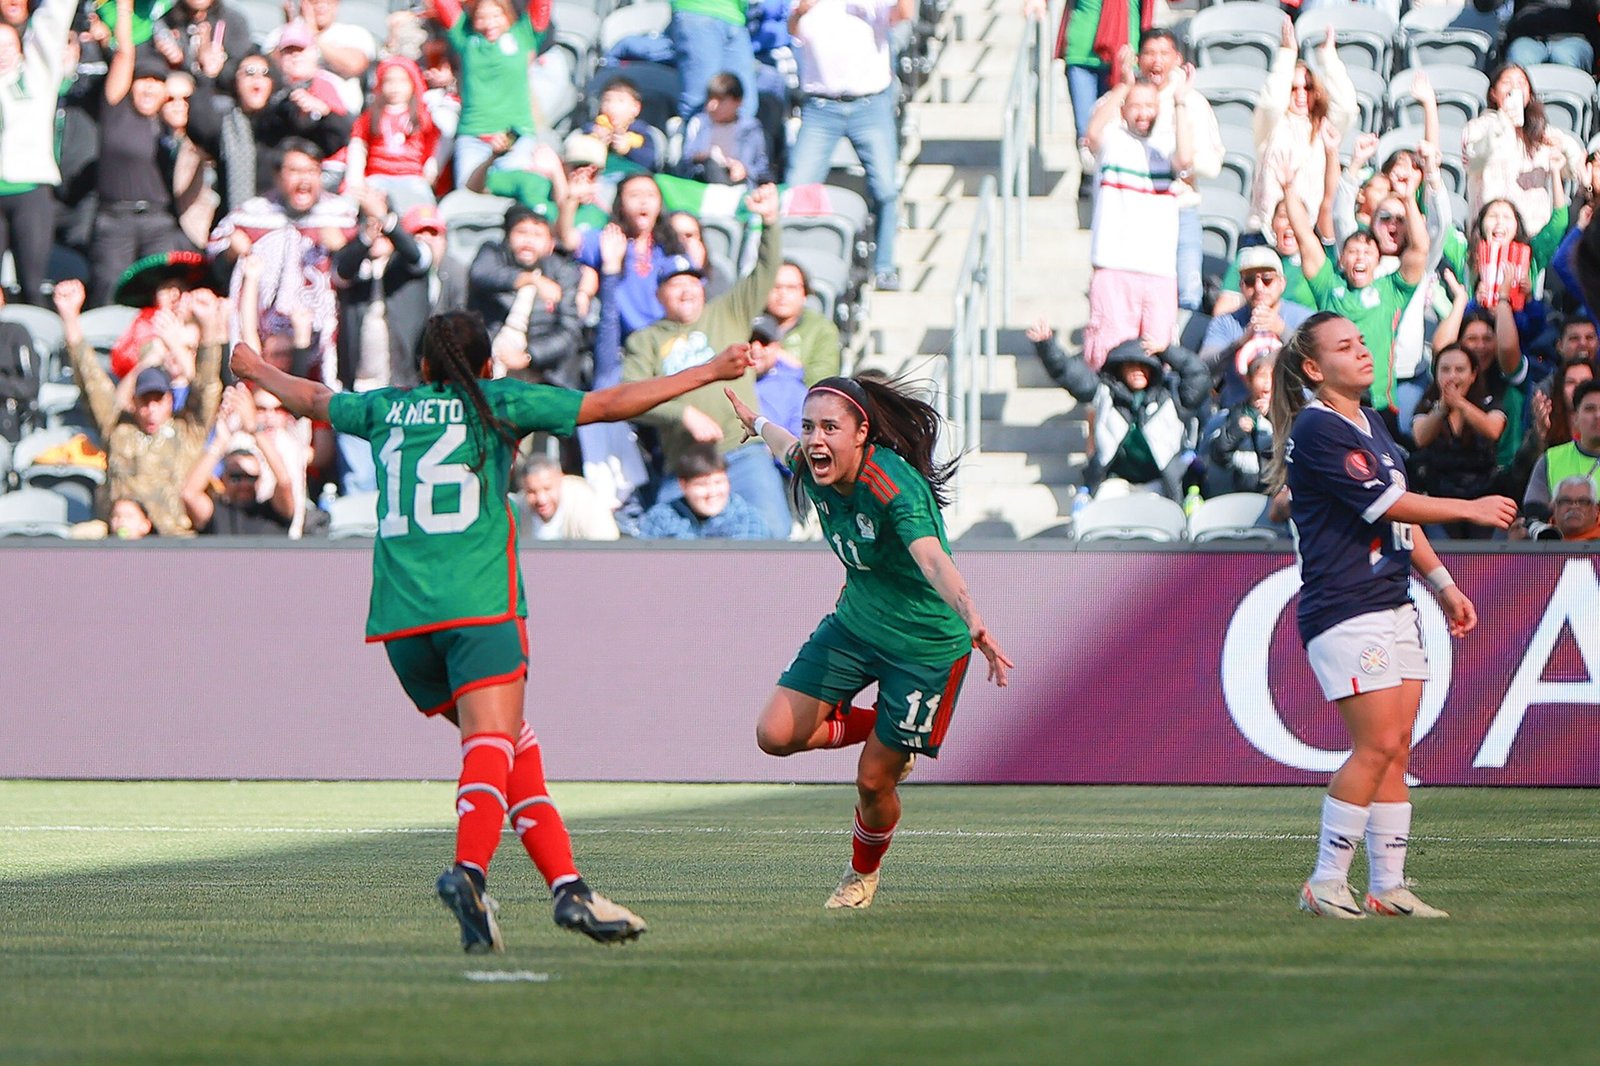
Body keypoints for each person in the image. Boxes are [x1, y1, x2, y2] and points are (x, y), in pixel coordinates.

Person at [229, 308, 760, 953]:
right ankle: (470, 871)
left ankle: (569, 889)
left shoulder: (386, 409)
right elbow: (610, 402)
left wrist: (253, 367)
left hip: (400, 621)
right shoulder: (499, 402)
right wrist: (707, 371)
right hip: (478, 607)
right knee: (491, 742)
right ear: (485, 366)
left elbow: (313, 398)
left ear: (421, 367)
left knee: (513, 746)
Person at [724, 374, 1014, 909]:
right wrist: (757, 422)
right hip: (856, 624)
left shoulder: (893, 487)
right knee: (774, 734)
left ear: (862, 434)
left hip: (926, 645)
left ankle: (861, 876)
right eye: (810, 425)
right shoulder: (811, 465)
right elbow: (785, 444)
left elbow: (931, 557)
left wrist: (973, 619)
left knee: (873, 783)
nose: (815, 438)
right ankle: (885, 732)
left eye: (829, 427)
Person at [1266, 312, 1516, 920]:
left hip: (1392, 601)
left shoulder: (1369, 422)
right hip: (1347, 607)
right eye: (1344, 347)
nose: (1362, 352)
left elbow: (1396, 520)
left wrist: (1443, 585)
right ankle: (1325, 880)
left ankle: (1389, 886)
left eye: (1361, 342)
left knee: (1397, 748)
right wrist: (1472, 509)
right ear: (1313, 369)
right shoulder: (1320, 429)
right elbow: (1393, 502)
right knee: (1375, 742)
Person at [623, 184, 790, 538]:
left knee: (775, 538)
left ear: (704, 286)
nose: (686, 290)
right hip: (687, 465)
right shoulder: (646, 340)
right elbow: (630, 396)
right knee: (665, 550)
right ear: (659, 294)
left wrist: (770, 221)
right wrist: (682, 413)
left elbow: (766, 269)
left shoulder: (729, 311)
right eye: (674, 284)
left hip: (744, 453)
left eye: (693, 282)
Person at [60, 279, 227, 535]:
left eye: (158, 400)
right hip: (121, 541)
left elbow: (206, 387)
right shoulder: (117, 429)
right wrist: (70, 317)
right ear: (134, 402)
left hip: (175, 541)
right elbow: (90, 378)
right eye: (144, 401)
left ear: (170, 400)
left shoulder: (188, 431)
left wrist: (207, 326)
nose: (151, 408)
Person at [1282, 153, 1430, 426]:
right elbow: (1304, 235)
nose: (1360, 257)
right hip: (1332, 403)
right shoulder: (1329, 286)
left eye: (1367, 252)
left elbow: (1420, 249)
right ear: (1341, 259)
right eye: (1353, 252)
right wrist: (1289, 189)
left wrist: (1409, 198)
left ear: (1377, 260)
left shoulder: (1391, 290)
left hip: (1379, 406)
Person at [786, 0, 914, 290]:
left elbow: (903, 14)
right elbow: (792, 30)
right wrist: (801, 10)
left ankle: (884, 267)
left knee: (885, 188)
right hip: (821, 107)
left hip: (869, 105)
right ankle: (791, 267)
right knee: (797, 187)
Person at [1082, 72, 1192, 369]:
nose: (1143, 113)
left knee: (1159, 353)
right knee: (1107, 354)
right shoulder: (1113, 140)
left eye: (1150, 105)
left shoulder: (1165, 144)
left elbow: (1185, 159)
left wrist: (1180, 103)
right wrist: (1123, 86)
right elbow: (1091, 134)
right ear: (1124, 109)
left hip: (1158, 269)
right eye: (1136, 105)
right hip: (1114, 265)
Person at [1029, 327, 1209, 500]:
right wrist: (1047, 346)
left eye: (1144, 365)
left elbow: (1199, 375)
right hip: (1115, 482)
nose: (1138, 371)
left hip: (1160, 484)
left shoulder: (1170, 395)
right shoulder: (1104, 392)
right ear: (1119, 369)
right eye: (1131, 365)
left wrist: (1166, 351)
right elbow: (1067, 372)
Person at [1249, 20, 1355, 239]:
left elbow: (1346, 108)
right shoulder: (1270, 126)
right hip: (1267, 231)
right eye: (1293, 88)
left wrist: (1329, 59)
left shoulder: (1324, 127)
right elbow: (1271, 104)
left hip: (1312, 231)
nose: (1300, 94)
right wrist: (1288, 54)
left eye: (1307, 88)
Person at [0, 0, 75, 306]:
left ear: (21, 47)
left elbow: (52, 22)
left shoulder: (37, 77)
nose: (2, 51)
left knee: (32, 284)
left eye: (8, 45)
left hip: (31, 192)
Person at [1462, 63, 1585, 237]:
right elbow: (1474, 161)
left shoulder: (1542, 133)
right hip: (1490, 235)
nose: (1514, 87)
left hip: (1534, 234)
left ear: (1529, 93)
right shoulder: (1478, 128)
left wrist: (1563, 146)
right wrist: (1502, 122)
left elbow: (1574, 168)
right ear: (1493, 93)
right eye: (1507, 82)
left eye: (1521, 83)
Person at [1409, 344, 1508, 539]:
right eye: (1445, 370)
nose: (1452, 376)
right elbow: (1420, 437)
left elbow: (1493, 430)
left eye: (1460, 370)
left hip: (1483, 495)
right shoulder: (1427, 406)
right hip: (1439, 500)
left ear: (1473, 374)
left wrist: (1460, 404)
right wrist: (1443, 408)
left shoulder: (1489, 402)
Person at [1200, 246, 1311, 408]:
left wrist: (1282, 330)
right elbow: (1203, 365)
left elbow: (1318, 362)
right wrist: (1240, 341)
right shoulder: (1226, 322)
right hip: (1238, 412)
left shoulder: (1304, 318)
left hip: (1294, 410)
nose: (1259, 287)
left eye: (1267, 280)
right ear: (1241, 286)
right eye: (1250, 281)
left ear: (1282, 283)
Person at [181, 384, 296, 535]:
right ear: (223, 479)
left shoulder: (272, 514)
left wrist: (255, 429)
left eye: (250, 478)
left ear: (259, 480)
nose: (243, 484)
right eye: (236, 477)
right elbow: (189, 494)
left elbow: (284, 482)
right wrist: (220, 441)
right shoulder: (217, 514)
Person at [638, 444, 771, 538]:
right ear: (683, 485)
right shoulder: (661, 517)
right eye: (701, 485)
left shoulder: (746, 518)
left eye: (718, 482)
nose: (712, 492)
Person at [669, 0, 757, 123]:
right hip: (698, 10)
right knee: (700, 104)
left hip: (735, 16)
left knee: (745, 105)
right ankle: (691, 140)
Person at [679, 72, 772, 185]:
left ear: (738, 102)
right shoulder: (699, 123)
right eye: (710, 99)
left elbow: (761, 168)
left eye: (720, 100)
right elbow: (686, 159)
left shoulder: (751, 129)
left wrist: (744, 170)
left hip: (739, 188)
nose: (712, 106)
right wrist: (708, 156)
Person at [1524, 379, 1600, 508]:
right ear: (1575, 418)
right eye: (1589, 409)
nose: (1598, 415)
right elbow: (1533, 509)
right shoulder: (1550, 459)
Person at [518, 455, 619, 541]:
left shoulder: (587, 503)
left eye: (547, 488)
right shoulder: (516, 510)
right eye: (531, 492)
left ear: (561, 478)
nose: (541, 499)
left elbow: (606, 552)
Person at [1546, 475, 1600, 540]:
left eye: (1582, 501)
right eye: (1566, 501)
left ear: (1596, 509)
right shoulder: (1537, 538)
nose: (1574, 507)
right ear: (1554, 507)